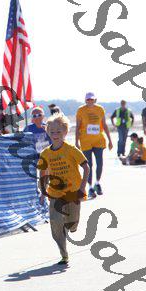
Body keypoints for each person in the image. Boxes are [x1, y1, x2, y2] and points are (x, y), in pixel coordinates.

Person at [38, 114, 89, 266]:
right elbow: (43, 173)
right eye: (52, 132)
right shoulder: (45, 153)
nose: (55, 135)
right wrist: (43, 191)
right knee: (55, 224)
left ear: (65, 132)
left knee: (71, 224)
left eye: (58, 132)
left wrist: (82, 187)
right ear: (48, 132)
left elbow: (86, 167)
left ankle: (71, 226)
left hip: (72, 192)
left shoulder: (71, 150)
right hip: (55, 194)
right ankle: (64, 254)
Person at [75, 92, 113, 199]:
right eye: (88, 99)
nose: (90, 101)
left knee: (100, 163)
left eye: (92, 99)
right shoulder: (81, 110)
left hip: (99, 141)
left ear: (95, 100)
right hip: (85, 141)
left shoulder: (100, 109)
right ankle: (90, 187)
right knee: (89, 165)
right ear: (85, 100)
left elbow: (104, 125)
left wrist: (110, 140)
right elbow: (77, 126)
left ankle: (97, 183)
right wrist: (76, 142)